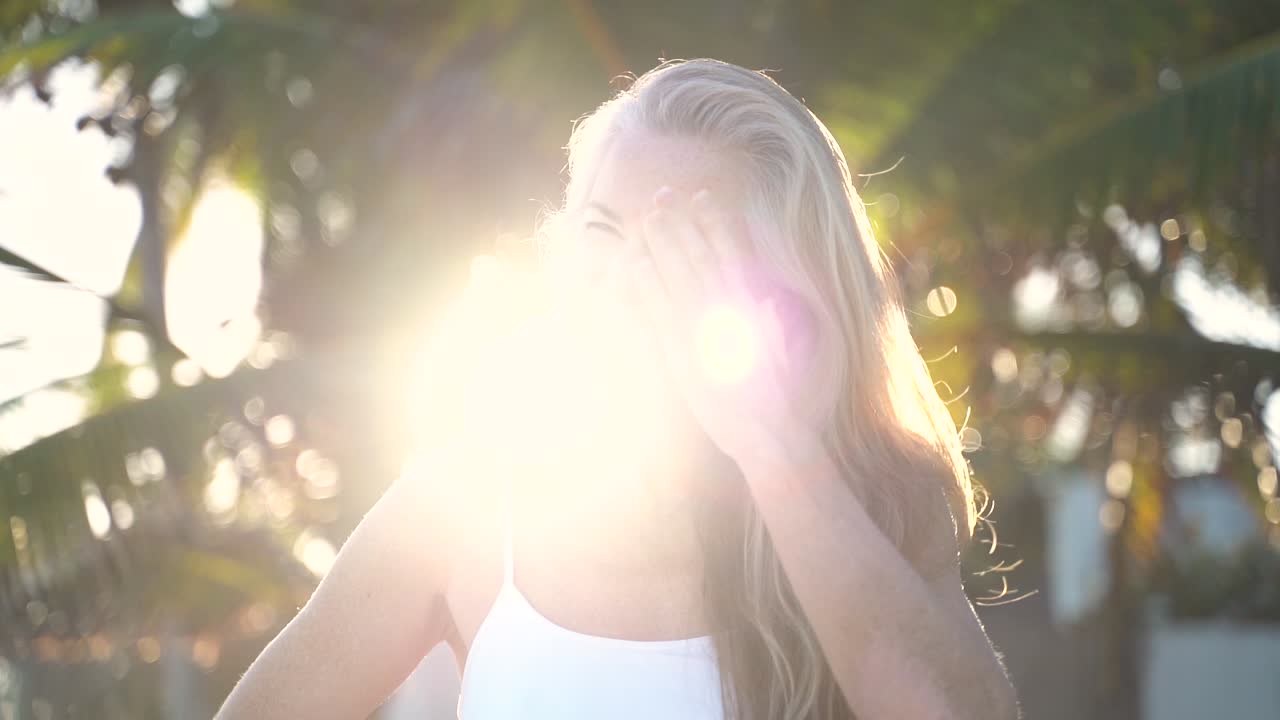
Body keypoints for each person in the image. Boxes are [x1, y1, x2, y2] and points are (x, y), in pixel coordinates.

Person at [216, 57, 1020, 720]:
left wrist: (775, 452)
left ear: (779, 287)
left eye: (683, 241)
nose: (628, 278)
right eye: (601, 229)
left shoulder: (873, 501)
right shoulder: (464, 504)